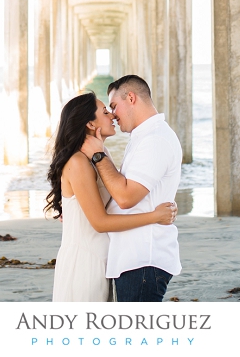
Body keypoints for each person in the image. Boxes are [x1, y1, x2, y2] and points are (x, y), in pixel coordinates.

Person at [46, 91, 177, 302]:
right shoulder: (79, 162)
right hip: (84, 261)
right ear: (90, 123)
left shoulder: (100, 154)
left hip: (102, 259)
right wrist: (155, 216)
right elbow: (100, 222)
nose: (113, 116)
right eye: (106, 111)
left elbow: (116, 196)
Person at [79, 75, 183, 302]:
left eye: (114, 106)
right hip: (135, 257)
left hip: (144, 259)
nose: (113, 114)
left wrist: (98, 155)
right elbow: (119, 192)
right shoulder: (144, 137)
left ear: (132, 98)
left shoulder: (154, 140)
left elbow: (125, 198)